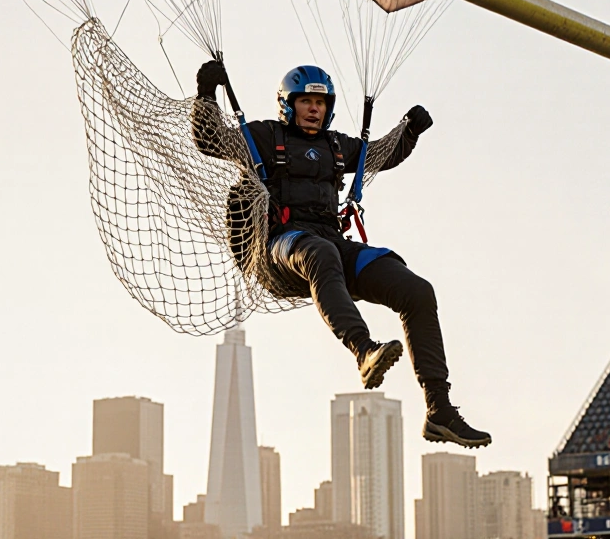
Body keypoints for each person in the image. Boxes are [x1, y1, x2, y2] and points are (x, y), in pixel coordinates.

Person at [192, 60, 491, 448]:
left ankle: (440, 410)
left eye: (321, 102)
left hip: (330, 243)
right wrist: (206, 93)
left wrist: (410, 130)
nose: (314, 109)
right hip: (282, 247)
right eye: (306, 102)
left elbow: (381, 154)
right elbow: (210, 140)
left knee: (417, 291)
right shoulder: (264, 136)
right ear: (288, 104)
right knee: (321, 254)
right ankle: (363, 350)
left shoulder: (335, 146)